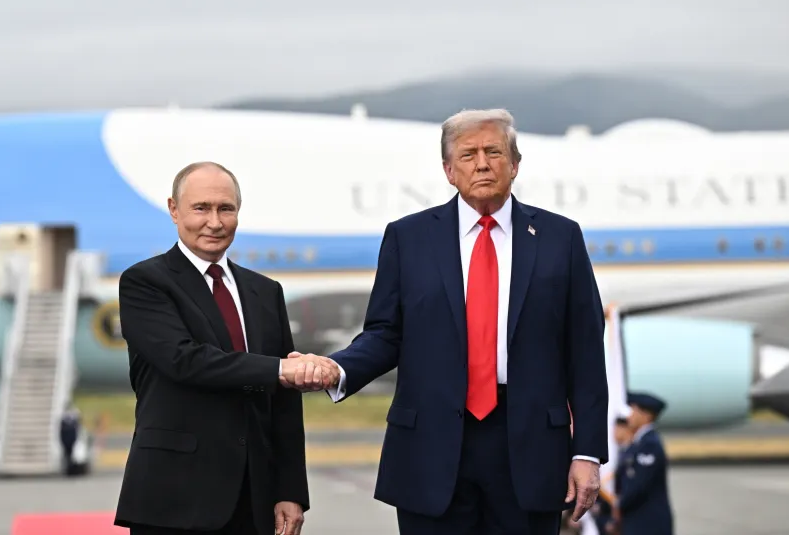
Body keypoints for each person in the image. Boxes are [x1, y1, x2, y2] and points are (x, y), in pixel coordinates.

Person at [288, 109, 609, 535]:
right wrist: (338, 368)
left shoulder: (560, 238)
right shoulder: (408, 238)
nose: (482, 163)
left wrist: (586, 452)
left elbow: (585, 351)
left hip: (529, 448)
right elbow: (386, 334)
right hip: (431, 447)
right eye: (468, 154)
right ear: (448, 170)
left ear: (514, 164)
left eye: (494, 152)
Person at [113, 161, 320, 535]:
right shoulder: (145, 283)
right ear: (174, 210)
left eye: (226, 208)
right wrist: (278, 370)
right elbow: (184, 360)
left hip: (254, 500)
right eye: (201, 208)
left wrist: (290, 490)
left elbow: (285, 405)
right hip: (174, 499)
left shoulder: (265, 292)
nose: (215, 221)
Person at [615, 392, 673, 535]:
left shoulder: (650, 444)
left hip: (648, 522)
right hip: (637, 520)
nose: (630, 415)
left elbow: (639, 483)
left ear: (646, 416)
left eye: (634, 411)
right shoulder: (639, 442)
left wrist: (617, 505)